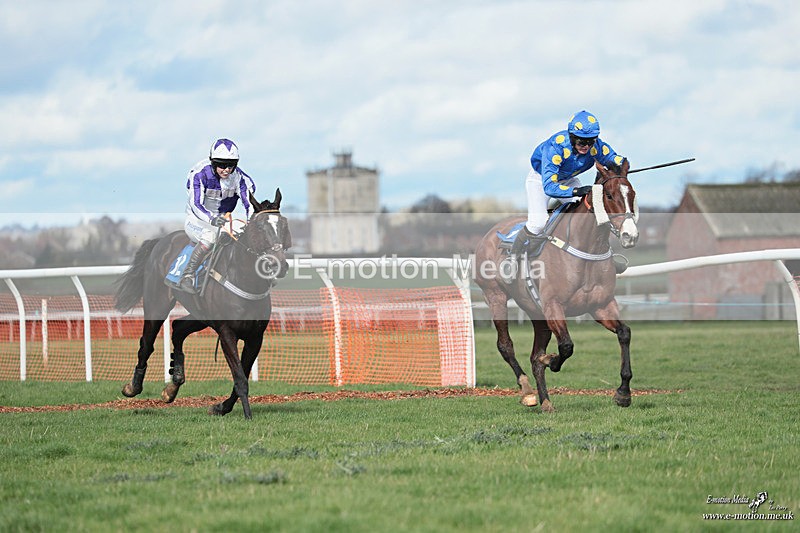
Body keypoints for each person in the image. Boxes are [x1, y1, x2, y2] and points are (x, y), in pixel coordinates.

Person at [511, 110, 628, 256]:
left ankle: (602, 253)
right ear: (572, 137)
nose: (586, 146)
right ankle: (513, 258)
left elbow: (612, 158)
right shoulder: (555, 147)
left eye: (590, 141)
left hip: (568, 180)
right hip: (541, 181)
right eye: (581, 141)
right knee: (538, 224)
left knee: (590, 210)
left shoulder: (596, 146)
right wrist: (576, 191)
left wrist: (623, 164)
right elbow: (549, 187)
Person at [176, 138, 256, 294]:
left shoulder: (240, 178)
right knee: (210, 236)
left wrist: (251, 222)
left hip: (223, 220)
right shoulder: (199, 174)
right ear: (213, 162)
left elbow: (250, 204)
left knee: (247, 235)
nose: (226, 170)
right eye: (222, 165)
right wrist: (211, 218)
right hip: (197, 220)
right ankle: (188, 275)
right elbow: (196, 204)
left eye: (231, 165)